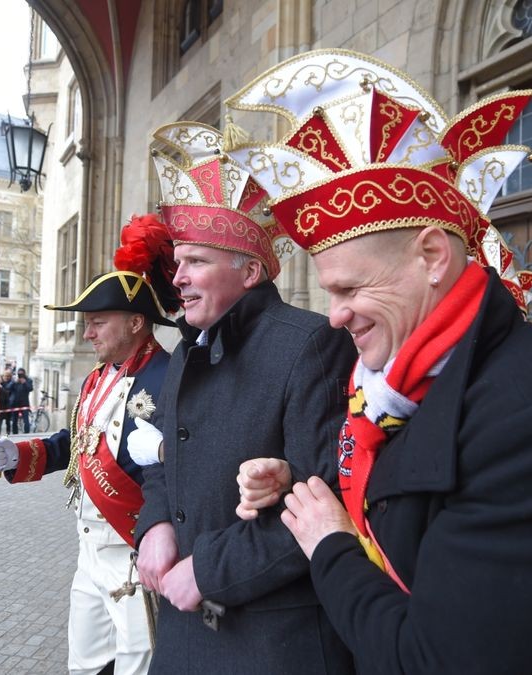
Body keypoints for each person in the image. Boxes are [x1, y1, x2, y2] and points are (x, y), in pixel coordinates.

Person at [227, 50, 532, 674]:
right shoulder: (398, 380)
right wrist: (293, 485)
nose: (334, 316)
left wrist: (329, 543)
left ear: (430, 256)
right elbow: (398, 495)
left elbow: (437, 661)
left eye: (349, 289)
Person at [126, 123, 356, 674]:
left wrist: (207, 570)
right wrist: (154, 523)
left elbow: (326, 502)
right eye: (178, 262)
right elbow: (164, 460)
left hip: (269, 640)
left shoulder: (310, 344)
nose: (176, 278)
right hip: (185, 635)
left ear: (250, 270)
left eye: (196, 262)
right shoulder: (187, 349)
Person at [0, 227, 181, 675]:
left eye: (97, 321)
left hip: (133, 549)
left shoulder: (168, 376)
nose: (86, 332)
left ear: (135, 322)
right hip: (88, 549)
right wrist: (18, 454)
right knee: (86, 665)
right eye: (86, 321)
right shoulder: (97, 377)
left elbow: (174, 468)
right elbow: (77, 444)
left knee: (141, 666)